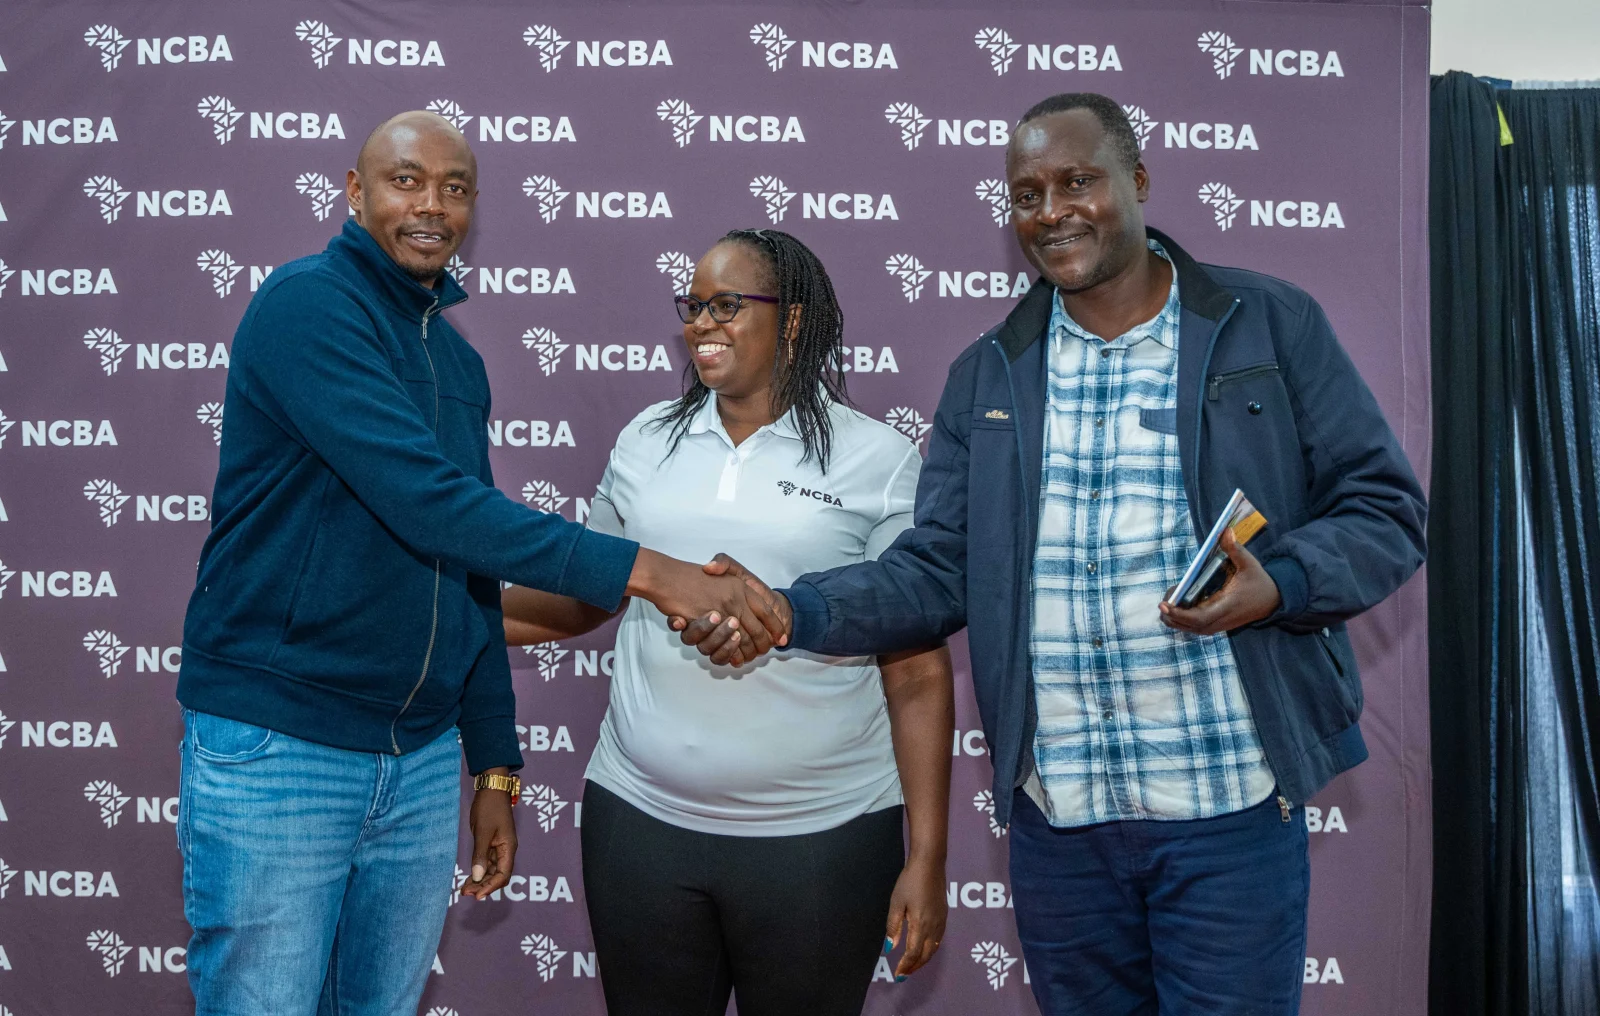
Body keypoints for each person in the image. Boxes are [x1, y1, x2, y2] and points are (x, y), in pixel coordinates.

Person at [680, 94, 1428, 1015]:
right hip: (1062, 825)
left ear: (1137, 181)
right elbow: (937, 568)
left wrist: (1283, 584)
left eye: (1078, 182)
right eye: (1027, 194)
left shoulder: (1268, 323)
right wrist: (794, 610)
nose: (1052, 211)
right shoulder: (989, 371)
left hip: (1227, 808)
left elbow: (1386, 510)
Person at [174, 111, 783, 1016]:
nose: (433, 205)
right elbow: (427, 501)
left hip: (418, 759)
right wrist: (657, 573)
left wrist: (494, 764)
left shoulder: (457, 361)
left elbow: (467, 573)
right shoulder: (308, 304)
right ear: (355, 193)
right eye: (406, 181)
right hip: (285, 743)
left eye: (454, 189)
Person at [500, 228, 952, 1016]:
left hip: (825, 839)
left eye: (727, 305)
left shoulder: (878, 461)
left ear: (794, 319)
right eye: (693, 306)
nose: (702, 324)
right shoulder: (647, 440)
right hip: (640, 824)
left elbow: (914, 669)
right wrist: (444, 616)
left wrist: (928, 856)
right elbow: (586, 597)